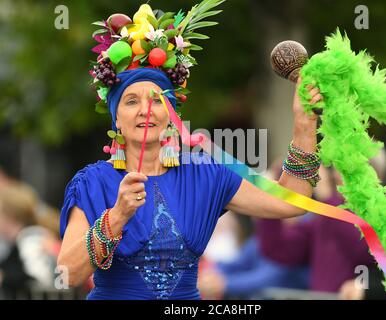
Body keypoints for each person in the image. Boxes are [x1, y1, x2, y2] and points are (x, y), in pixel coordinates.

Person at [57, 2, 323, 300]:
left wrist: (304, 125)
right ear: (116, 117)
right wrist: (117, 217)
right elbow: (67, 273)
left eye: (158, 100)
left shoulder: (205, 175)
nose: (146, 110)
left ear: (172, 113)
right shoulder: (92, 183)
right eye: (131, 101)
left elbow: (292, 203)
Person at [256, 149, 386, 300]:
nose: (334, 174)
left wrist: (327, 199)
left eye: (343, 168)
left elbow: (365, 251)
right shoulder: (327, 217)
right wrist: (272, 199)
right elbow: (277, 249)